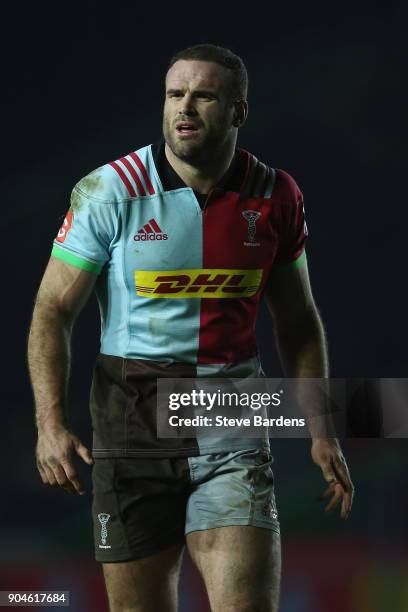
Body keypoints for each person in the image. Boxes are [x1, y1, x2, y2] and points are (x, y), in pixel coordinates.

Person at [27, 44, 354, 612]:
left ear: (238, 111)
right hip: (131, 422)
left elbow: (298, 321)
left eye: (204, 95)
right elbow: (52, 311)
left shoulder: (277, 195)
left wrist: (322, 427)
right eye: (175, 94)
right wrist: (49, 424)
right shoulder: (110, 190)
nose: (185, 108)